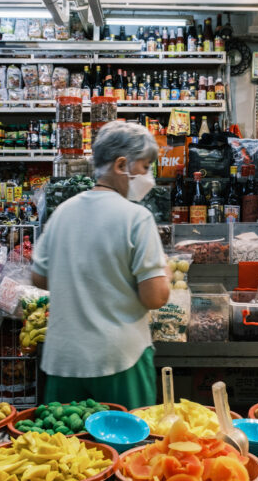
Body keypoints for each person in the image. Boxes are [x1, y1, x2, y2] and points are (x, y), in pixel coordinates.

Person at [31, 122, 169, 410]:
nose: (148, 177)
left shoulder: (62, 213)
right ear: (121, 165)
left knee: (65, 451)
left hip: (64, 361)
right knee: (127, 450)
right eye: (144, 167)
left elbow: (39, 278)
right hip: (119, 359)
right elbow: (154, 297)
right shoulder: (136, 218)